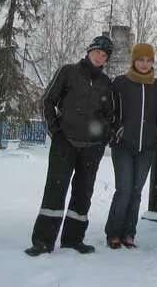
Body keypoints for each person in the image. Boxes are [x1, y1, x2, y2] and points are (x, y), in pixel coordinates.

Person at [25, 35, 115, 256]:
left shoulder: (106, 84)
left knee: (83, 193)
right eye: (97, 52)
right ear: (88, 51)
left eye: (104, 55)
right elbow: (47, 101)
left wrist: (102, 140)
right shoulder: (68, 72)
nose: (99, 57)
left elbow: (110, 116)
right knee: (55, 190)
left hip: (91, 148)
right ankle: (43, 241)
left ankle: (74, 239)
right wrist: (55, 132)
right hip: (65, 143)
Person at [104, 43, 157, 249]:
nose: (144, 64)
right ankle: (113, 232)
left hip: (146, 148)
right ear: (134, 61)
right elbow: (110, 111)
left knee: (137, 191)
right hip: (123, 147)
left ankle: (129, 233)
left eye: (148, 60)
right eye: (141, 60)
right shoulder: (121, 83)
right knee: (124, 189)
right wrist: (119, 130)